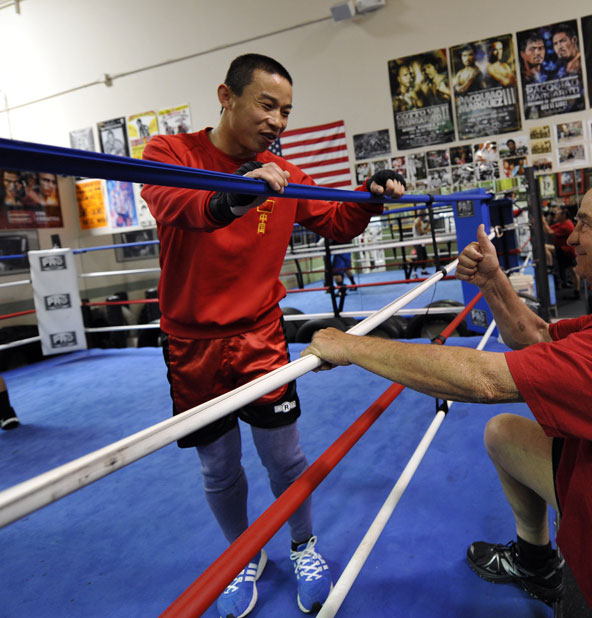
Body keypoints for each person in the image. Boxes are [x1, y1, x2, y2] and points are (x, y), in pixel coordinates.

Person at [302, 170, 592, 617]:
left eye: (585, 222)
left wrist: (350, 346)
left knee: (497, 412)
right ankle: (536, 561)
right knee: (504, 435)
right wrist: (492, 281)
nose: (570, 237)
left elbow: (484, 379)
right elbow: (539, 337)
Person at [140, 53, 406, 618]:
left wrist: (370, 196)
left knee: (285, 458)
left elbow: (334, 219)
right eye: (266, 105)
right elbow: (176, 204)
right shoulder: (170, 152)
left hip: (259, 332)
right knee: (217, 466)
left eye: (285, 110)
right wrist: (236, 193)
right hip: (190, 342)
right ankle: (240, 555)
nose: (278, 121)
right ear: (226, 96)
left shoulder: (283, 172)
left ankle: (303, 545)